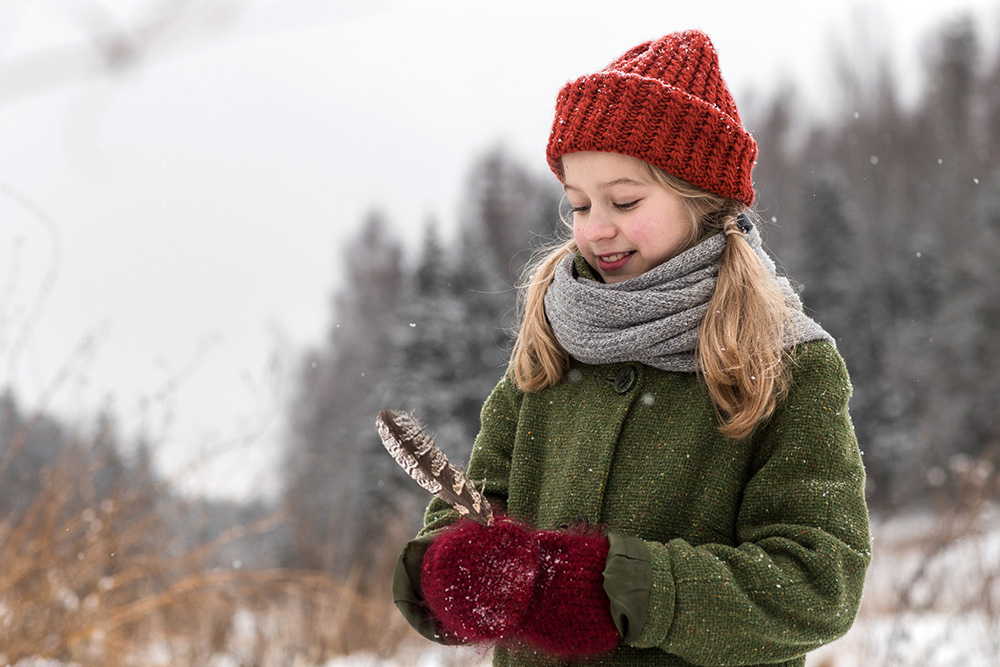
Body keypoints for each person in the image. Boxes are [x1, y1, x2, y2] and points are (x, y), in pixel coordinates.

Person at [392, 29, 871, 667]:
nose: (596, 228)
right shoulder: (551, 348)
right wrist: (451, 571)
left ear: (701, 199)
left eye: (623, 200)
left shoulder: (788, 364)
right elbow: (469, 510)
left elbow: (818, 584)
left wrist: (627, 589)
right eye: (579, 204)